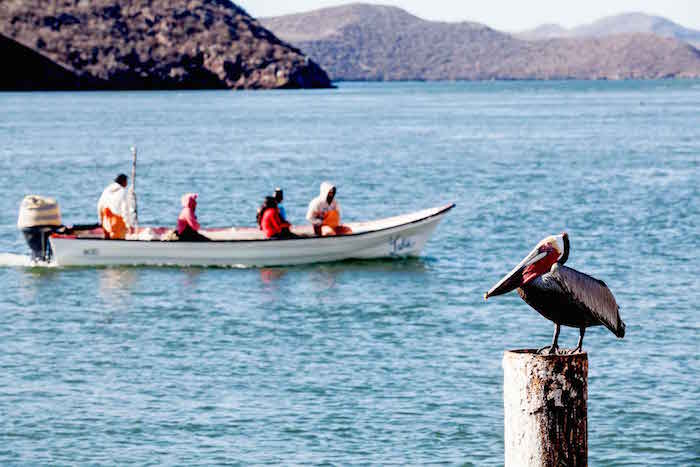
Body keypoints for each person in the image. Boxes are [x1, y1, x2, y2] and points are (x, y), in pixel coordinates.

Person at [97, 173, 134, 239]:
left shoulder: (107, 190)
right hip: (117, 224)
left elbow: (100, 206)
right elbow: (124, 210)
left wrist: (102, 222)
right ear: (124, 182)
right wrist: (129, 225)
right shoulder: (123, 192)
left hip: (106, 222)